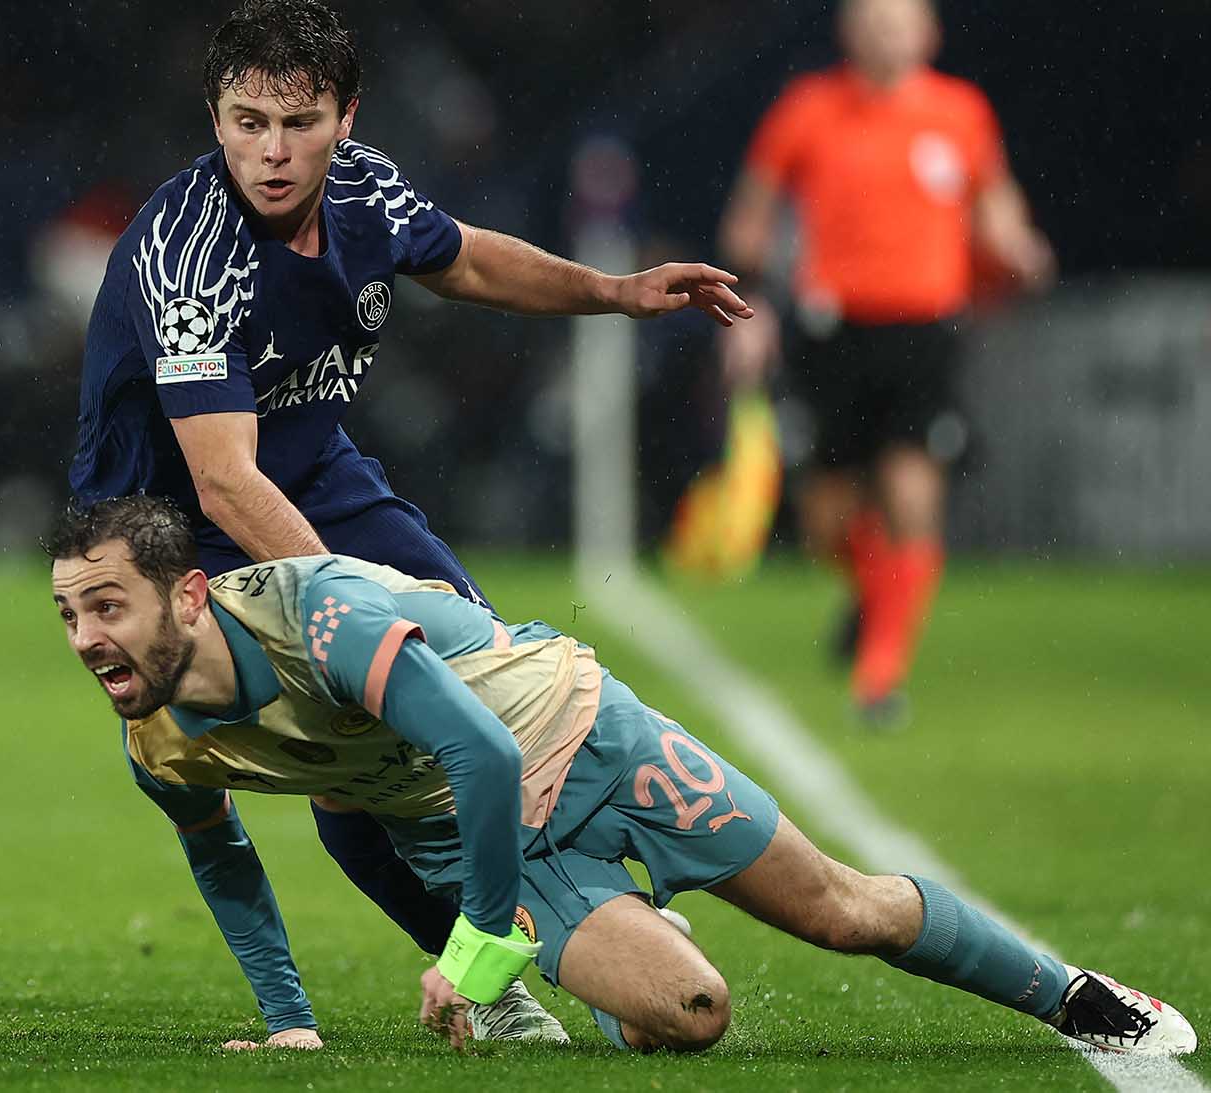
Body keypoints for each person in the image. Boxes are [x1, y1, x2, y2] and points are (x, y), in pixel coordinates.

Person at [68, 0, 752, 1047]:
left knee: (483, 696)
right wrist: (349, 626)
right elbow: (221, 483)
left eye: (296, 123)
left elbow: (465, 258)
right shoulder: (191, 254)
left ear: (345, 116)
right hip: (172, 530)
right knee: (360, 765)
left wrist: (612, 292)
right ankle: (496, 979)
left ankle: (580, 922)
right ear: (214, 117)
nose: (271, 150)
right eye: (246, 121)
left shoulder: (364, 185)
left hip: (317, 472)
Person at [45, 495, 1197, 1056]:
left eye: (108, 606)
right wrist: (289, 1020)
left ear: (186, 595)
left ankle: (1076, 998)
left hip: (588, 735)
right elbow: (222, 858)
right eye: (67, 613)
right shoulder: (158, 741)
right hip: (487, 838)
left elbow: (481, 750)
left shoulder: (319, 614)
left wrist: (474, 951)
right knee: (690, 1016)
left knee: (841, 913)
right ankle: (621, 958)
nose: (87, 637)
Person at [717, 0, 1054, 723]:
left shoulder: (959, 111)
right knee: (826, 522)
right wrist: (745, 307)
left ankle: (878, 675)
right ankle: (875, 593)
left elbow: (993, 204)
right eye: (872, 20)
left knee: (911, 492)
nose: (885, 34)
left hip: (924, 329)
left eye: (899, 22)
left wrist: (1018, 244)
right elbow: (749, 220)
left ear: (928, 34)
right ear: (848, 32)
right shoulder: (807, 107)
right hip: (828, 329)